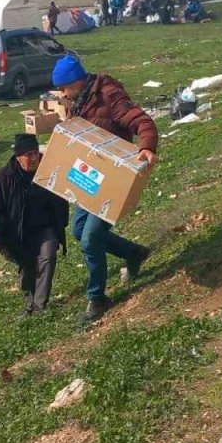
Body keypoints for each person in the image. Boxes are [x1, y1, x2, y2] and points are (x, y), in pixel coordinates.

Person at [50, 53, 158, 323]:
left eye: (64, 88)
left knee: (90, 239)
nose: (62, 94)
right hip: (90, 178)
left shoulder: (108, 94)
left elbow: (143, 122)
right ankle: (133, 252)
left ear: (75, 82)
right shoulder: (79, 101)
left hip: (112, 180)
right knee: (78, 230)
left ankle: (97, 298)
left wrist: (147, 147)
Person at [0, 134, 70, 315]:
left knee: (47, 258)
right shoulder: (2, 177)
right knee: (27, 267)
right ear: (18, 157)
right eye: (28, 155)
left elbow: (61, 196)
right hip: (19, 233)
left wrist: (62, 221)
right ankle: (29, 304)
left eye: (36, 154)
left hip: (46, 228)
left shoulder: (48, 171)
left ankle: (40, 306)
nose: (34, 159)